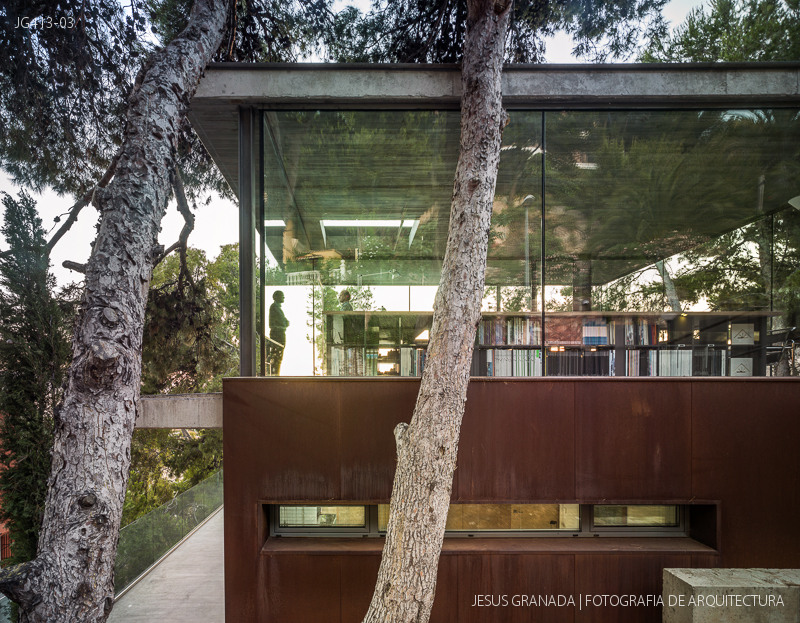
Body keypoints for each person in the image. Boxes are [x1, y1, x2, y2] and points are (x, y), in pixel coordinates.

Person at [268, 290, 289, 375]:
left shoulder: (277, 307)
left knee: (278, 357)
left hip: (279, 333)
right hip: (277, 334)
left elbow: (285, 322)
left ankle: (276, 374)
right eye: (282, 295)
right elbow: (284, 322)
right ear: (276, 297)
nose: (283, 297)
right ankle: (275, 374)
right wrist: (285, 322)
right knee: (277, 357)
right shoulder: (275, 307)